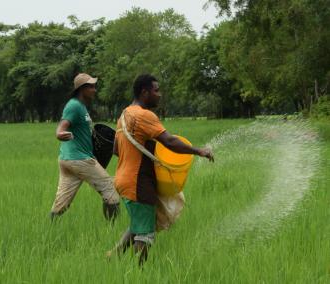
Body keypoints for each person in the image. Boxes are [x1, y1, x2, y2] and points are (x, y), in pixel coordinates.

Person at [108, 74, 214, 265]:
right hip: (137, 182)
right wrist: (199, 151)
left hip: (123, 178)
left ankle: (112, 257)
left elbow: (116, 149)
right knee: (145, 233)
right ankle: (140, 273)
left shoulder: (125, 115)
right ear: (144, 92)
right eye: (156, 90)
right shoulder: (144, 115)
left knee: (139, 222)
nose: (160, 94)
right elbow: (169, 141)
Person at [50, 73, 120, 221]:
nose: (95, 90)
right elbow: (62, 126)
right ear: (82, 89)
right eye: (91, 87)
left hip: (68, 159)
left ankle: (50, 228)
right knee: (110, 191)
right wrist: (60, 133)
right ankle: (112, 230)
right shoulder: (74, 106)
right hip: (80, 159)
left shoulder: (81, 106)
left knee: (61, 204)